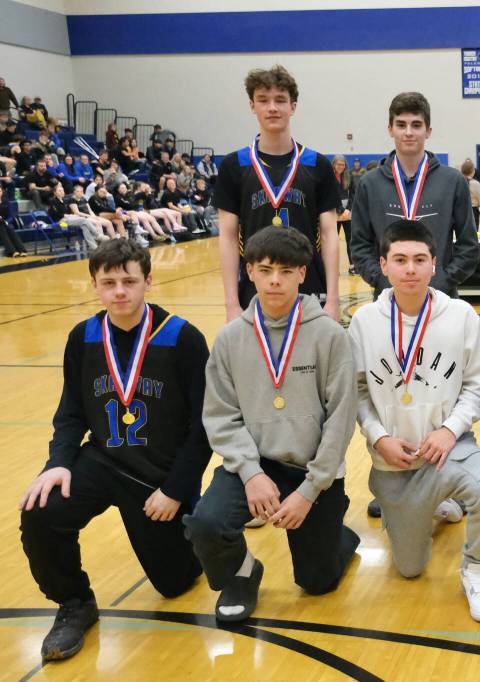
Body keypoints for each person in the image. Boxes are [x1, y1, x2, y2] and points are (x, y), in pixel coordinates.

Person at [19, 239, 212, 660]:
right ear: (94, 285)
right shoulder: (82, 338)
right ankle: (74, 603)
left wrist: (177, 490)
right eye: (109, 282)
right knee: (40, 511)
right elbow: (71, 412)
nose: (119, 291)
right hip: (102, 462)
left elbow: (204, 428)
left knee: (175, 583)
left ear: (148, 281)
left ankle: (196, 533)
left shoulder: (183, 338)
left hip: (157, 481)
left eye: (129, 281)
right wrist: (57, 464)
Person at [184, 227, 360, 623]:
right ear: (249, 272)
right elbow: (220, 416)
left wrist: (310, 490)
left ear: (303, 273)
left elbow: (341, 420)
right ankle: (243, 573)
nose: (275, 279)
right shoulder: (230, 339)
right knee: (206, 524)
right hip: (255, 464)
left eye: (285, 270)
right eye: (265, 270)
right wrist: (250, 473)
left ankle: (336, 534)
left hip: (311, 470)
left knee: (318, 583)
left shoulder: (330, 335)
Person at [348, 219, 480, 622]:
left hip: (450, 450)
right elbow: (358, 392)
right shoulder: (364, 322)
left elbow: (479, 387)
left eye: (420, 259)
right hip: (393, 463)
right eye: (400, 260)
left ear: (435, 264)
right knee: (410, 569)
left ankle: (475, 568)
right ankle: (433, 508)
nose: (411, 269)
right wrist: (379, 437)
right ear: (383, 265)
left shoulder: (461, 315)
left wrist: (450, 430)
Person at [214, 65, 340, 322]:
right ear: (252, 106)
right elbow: (227, 237)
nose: (272, 107)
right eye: (263, 100)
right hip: (254, 286)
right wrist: (231, 304)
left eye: (280, 100)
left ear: (293, 106)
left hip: (309, 286)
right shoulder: (234, 165)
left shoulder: (317, 164)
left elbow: (329, 235)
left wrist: (334, 300)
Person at [350, 91, 478, 301]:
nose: (408, 132)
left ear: (428, 131)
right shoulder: (369, 184)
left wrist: (444, 278)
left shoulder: (453, 181)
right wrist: (381, 278)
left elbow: (469, 245)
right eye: (401, 125)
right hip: (387, 298)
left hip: (441, 298)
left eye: (416, 125)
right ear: (390, 129)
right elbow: (359, 244)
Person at [332, 155, 354, 274]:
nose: (341, 167)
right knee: (333, 241)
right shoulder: (329, 176)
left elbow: (353, 194)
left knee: (350, 240)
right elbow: (329, 195)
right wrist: (340, 209)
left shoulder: (349, 175)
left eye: (343, 164)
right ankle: (334, 267)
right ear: (334, 164)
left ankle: (352, 266)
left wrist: (348, 209)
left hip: (347, 213)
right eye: (338, 164)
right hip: (334, 212)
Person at [0, 183, 29, 256]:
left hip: (5, 222)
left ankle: (22, 250)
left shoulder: (6, 202)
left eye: (0, 191)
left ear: (2, 192)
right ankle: (11, 251)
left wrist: (6, 222)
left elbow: (11, 215)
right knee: (2, 229)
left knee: (10, 228)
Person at [460, 159, 480, 228]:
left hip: (460, 211)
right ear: (472, 171)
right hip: (473, 211)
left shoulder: (458, 182)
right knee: (474, 233)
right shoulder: (476, 184)